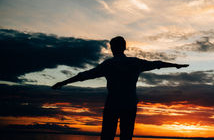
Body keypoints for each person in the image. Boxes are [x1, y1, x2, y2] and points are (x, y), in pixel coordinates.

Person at [52, 36, 189, 140]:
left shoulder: (109, 64)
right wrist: (175, 65)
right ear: (124, 48)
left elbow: (84, 75)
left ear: (113, 48)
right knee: (126, 135)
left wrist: (63, 82)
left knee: (107, 136)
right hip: (129, 104)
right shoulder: (134, 63)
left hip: (113, 104)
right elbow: (157, 64)